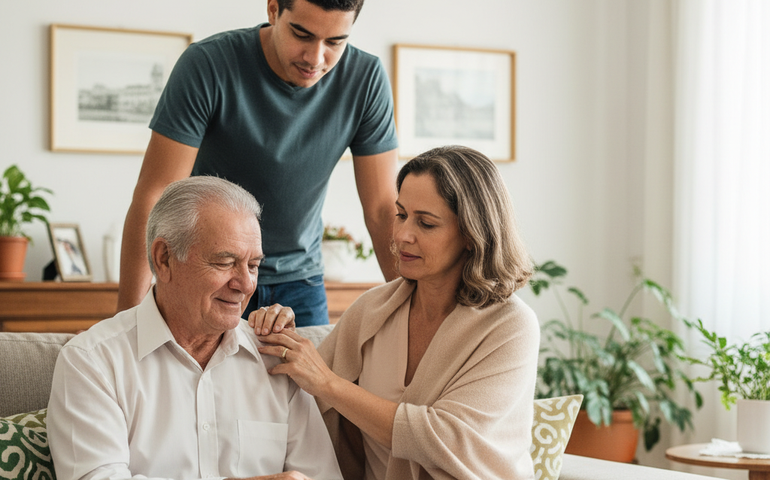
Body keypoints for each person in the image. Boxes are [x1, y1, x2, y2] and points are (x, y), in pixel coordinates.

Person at [255, 146, 540, 479]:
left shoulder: (511, 327)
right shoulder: (371, 309)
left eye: (426, 223)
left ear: (472, 233)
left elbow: (444, 438)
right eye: (401, 214)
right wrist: (279, 332)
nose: (403, 235)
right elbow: (300, 396)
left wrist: (329, 384)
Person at [118, 0, 400, 326]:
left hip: (300, 283)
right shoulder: (208, 64)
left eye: (335, 42)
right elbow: (156, 194)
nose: (316, 57)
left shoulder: (366, 79)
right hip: (209, 272)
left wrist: (412, 307)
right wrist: (126, 321)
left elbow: (382, 209)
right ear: (273, 10)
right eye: (302, 34)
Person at [48, 176, 342, 480]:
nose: (244, 285)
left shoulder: (278, 360)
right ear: (164, 259)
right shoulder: (92, 361)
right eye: (224, 262)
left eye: (253, 265)